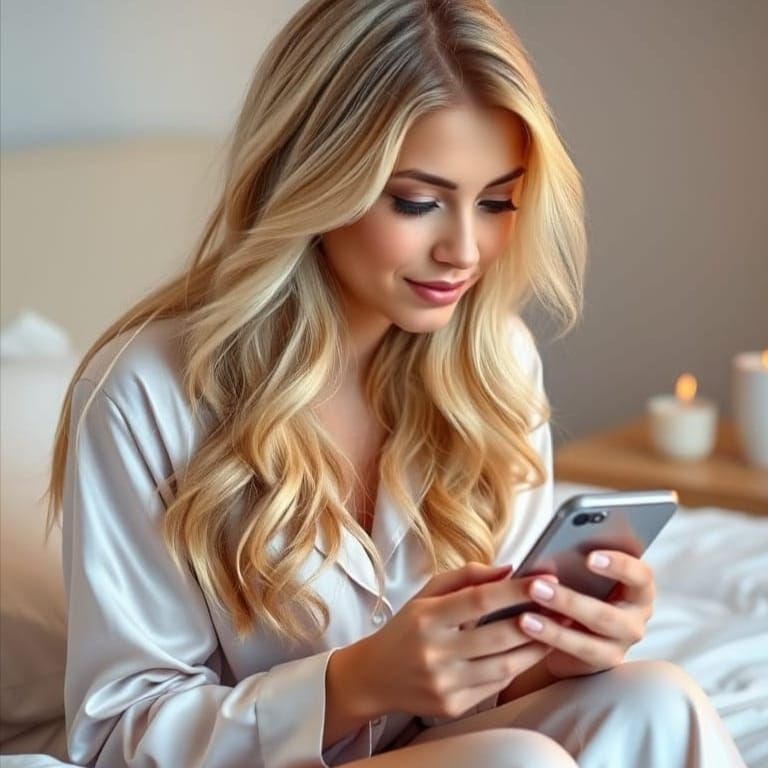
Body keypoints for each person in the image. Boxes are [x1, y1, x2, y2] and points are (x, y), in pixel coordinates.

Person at [45, 1, 746, 766]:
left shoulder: (495, 362)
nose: (464, 250)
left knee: (657, 698)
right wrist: (355, 683)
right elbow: (118, 739)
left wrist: (554, 653)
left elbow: (478, 701)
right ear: (312, 175)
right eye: (417, 201)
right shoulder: (144, 393)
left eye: (497, 202)